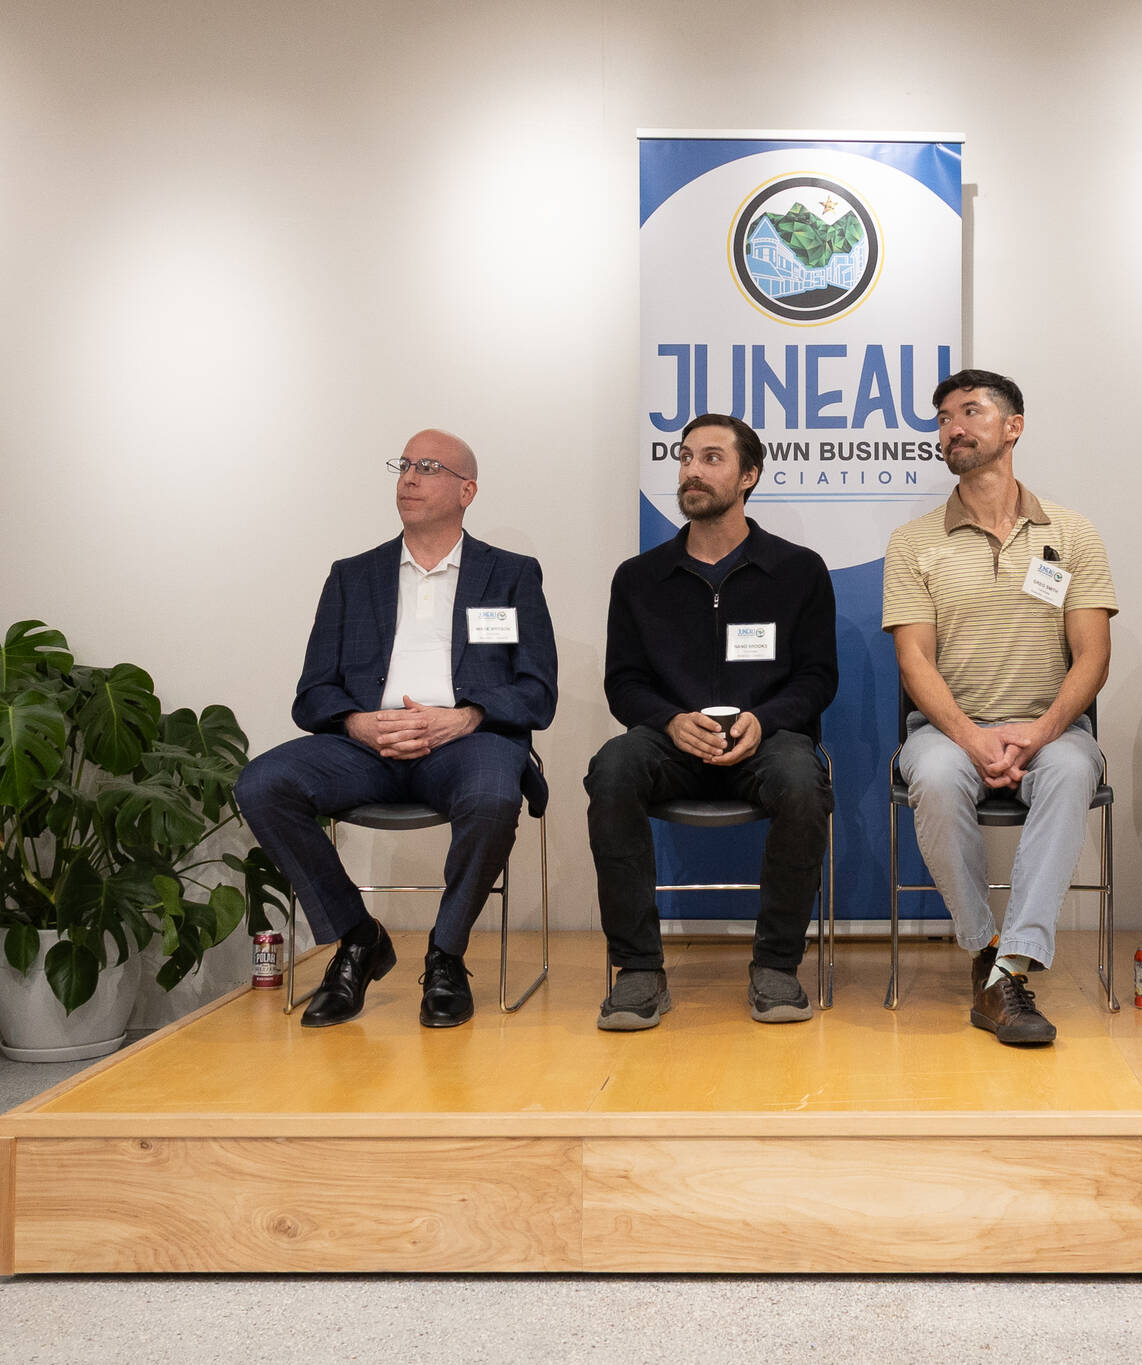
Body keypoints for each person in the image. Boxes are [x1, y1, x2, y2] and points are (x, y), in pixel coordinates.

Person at [236, 429, 557, 1029]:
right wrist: (359, 724)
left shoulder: (511, 575)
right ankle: (358, 939)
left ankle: (446, 956)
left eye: (428, 467)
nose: (409, 477)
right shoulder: (352, 576)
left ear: (468, 490)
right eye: (404, 465)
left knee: (493, 792)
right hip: (368, 748)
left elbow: (538, 692)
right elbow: (313, 693)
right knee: (262, 784)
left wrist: (465, 715)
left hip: (466, 741)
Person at [882, 369, 1116, 1046]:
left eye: (971, 411)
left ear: (1012, 427)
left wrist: (1041, 732)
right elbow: (914, 661)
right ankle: (985, 943)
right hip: (947, 730)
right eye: (943, 416)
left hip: (1054, 725)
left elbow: (1093, 655)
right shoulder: (913, 541)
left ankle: (1009, 965)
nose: (953, 425)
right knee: (930, 774)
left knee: (1073, 771)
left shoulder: (1072, 533)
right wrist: (971, 738)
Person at [585, 413, 838, 1030]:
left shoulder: (799, 570)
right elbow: (624, 683)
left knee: (805, 783)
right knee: (612, 768)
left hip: (768, 740)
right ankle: (639, 970)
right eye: (686, 457)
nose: (692, 470)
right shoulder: (639, 578)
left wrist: (764, 719)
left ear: (749, 475)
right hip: (672, 745)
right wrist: (670, 721)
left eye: (712, 458)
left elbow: (817, 679)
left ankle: (777, 966)